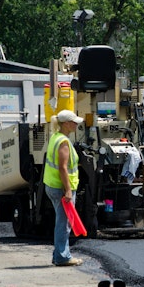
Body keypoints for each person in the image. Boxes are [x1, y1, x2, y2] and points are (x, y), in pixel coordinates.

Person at [43, 110, 85, 266]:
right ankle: (62, 257)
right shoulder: (63, 143)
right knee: (64, 223)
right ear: (66, 124)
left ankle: (58, 254)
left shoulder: (56, 137)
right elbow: (62, 167)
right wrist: (68, 190)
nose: (76, 124)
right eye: (74, 122)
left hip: (53, 186)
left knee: (62, 221)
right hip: (61, 188)